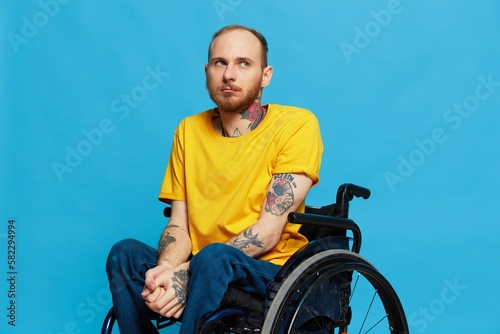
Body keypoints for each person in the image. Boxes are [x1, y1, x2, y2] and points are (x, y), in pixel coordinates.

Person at [106, 24, 323, 333]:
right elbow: (179, 224)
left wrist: (186, 274)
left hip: (269, 273)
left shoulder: (297, 125)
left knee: (214, 256)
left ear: (266, 75)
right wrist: (168, 269)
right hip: (203, 266)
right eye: (220, 63)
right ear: (207, 71)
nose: (229, 75)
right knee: (124, 253)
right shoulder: (188, 131)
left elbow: (267, 232)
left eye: (243, 63)